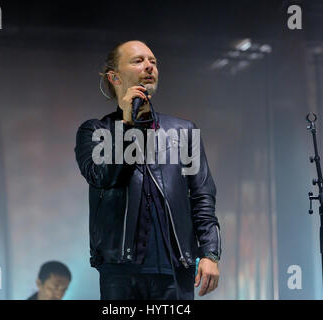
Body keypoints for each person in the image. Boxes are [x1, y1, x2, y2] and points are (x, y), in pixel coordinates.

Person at [75, 40, 221, 300]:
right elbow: (102, 177)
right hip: (119, 270)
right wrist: (129, 127)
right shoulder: (96, 131)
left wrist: (210, 253)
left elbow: (202, 197)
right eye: (138, 60)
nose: (149, 66)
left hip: (176, 269)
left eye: (153, 61)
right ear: (115, 76)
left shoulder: (184, 132)